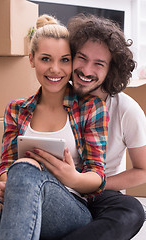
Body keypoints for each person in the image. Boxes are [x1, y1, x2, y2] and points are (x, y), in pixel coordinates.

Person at [0, 14, 109, 240]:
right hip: (20, 198)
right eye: (45, 59)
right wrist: (6, 183)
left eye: (64, 60)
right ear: (31, 60)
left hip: (70, 207)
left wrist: (72, 177)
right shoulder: (16, 109)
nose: (55, 69)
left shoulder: (92, 108)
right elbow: (6, 164)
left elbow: (98, 175)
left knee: (24, 168)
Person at [59, 13, 146, 240]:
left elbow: (143, 170)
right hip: (53, 185)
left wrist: (92, 184)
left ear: (111, 70)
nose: (87, 70)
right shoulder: (54, 95)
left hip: (99, 193)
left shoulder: (127, 109)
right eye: (82, 58)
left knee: (132, 211)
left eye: (99, 64)